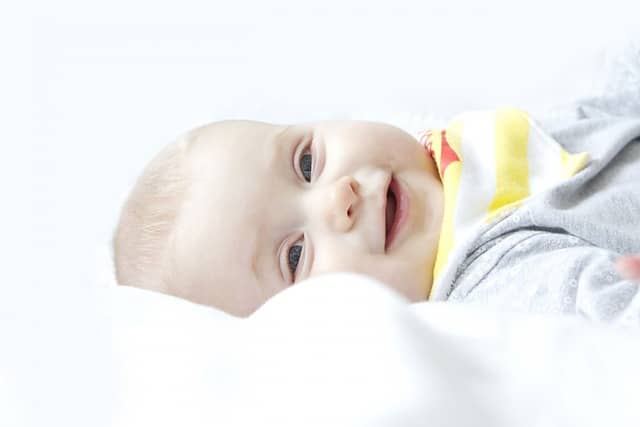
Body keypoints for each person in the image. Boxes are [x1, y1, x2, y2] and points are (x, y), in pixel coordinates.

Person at [112, 92, 640, 322]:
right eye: (294, 256)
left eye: (306, 163)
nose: (337, 198)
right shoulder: (503, 283)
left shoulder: (461, 147)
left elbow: (604, 108)